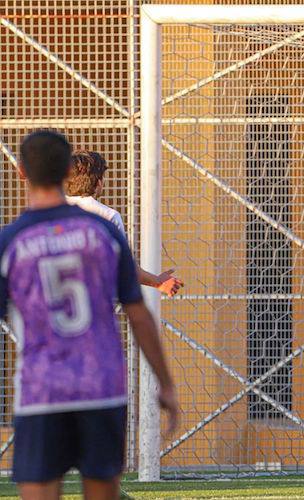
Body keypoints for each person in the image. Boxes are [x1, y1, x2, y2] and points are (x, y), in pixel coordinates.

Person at [1, 130, 180, 500]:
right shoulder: (102, 228)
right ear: (68, 169)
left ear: (21, 172)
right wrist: (166, 382)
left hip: (42, 388)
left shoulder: (11, 241)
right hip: (100, 383)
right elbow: (137, 312)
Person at [65, 149, 183, 297]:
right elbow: (123, 265)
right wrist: (158, 282)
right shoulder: (108, 216)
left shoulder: (49, 211)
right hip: (93, 303)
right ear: (99, 182)